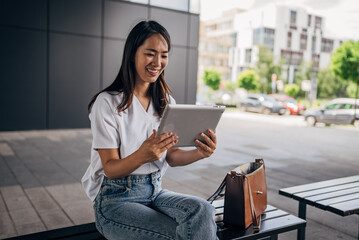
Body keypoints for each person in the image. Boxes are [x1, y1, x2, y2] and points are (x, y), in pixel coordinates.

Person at [81, 20, 218, 240]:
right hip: (115, 200)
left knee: (203, 210)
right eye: (150, 53)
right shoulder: (106, 103)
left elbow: (171, 156)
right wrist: (142, 156)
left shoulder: (165, 101)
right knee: (181, 234)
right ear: (132, 54)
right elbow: (110, 169)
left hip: (154, 191)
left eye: (164, 55)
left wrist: (200, 152)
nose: (158, 62)